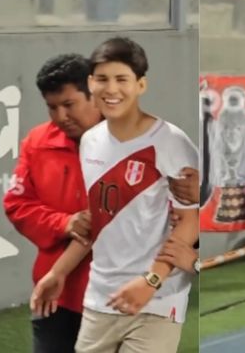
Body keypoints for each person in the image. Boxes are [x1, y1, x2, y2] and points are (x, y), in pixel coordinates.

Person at [30, 37, 199, 353]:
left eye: (122, 79)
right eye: (102, 79)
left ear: (141, 85)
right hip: (100, 300)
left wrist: (150, 282)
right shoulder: (91, 142)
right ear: (91, 84)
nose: (112, 89)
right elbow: (99, 219)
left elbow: (188, 225)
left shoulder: (172, 143)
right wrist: (59, 272)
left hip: (157, 302)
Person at [3, 54, 103, 353]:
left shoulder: (130, 143)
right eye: (52, 107)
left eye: (69, 105)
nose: (60, 116)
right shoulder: (37, 142)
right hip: (53, 295)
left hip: (112, 295)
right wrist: (64, 223)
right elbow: (17, 205)